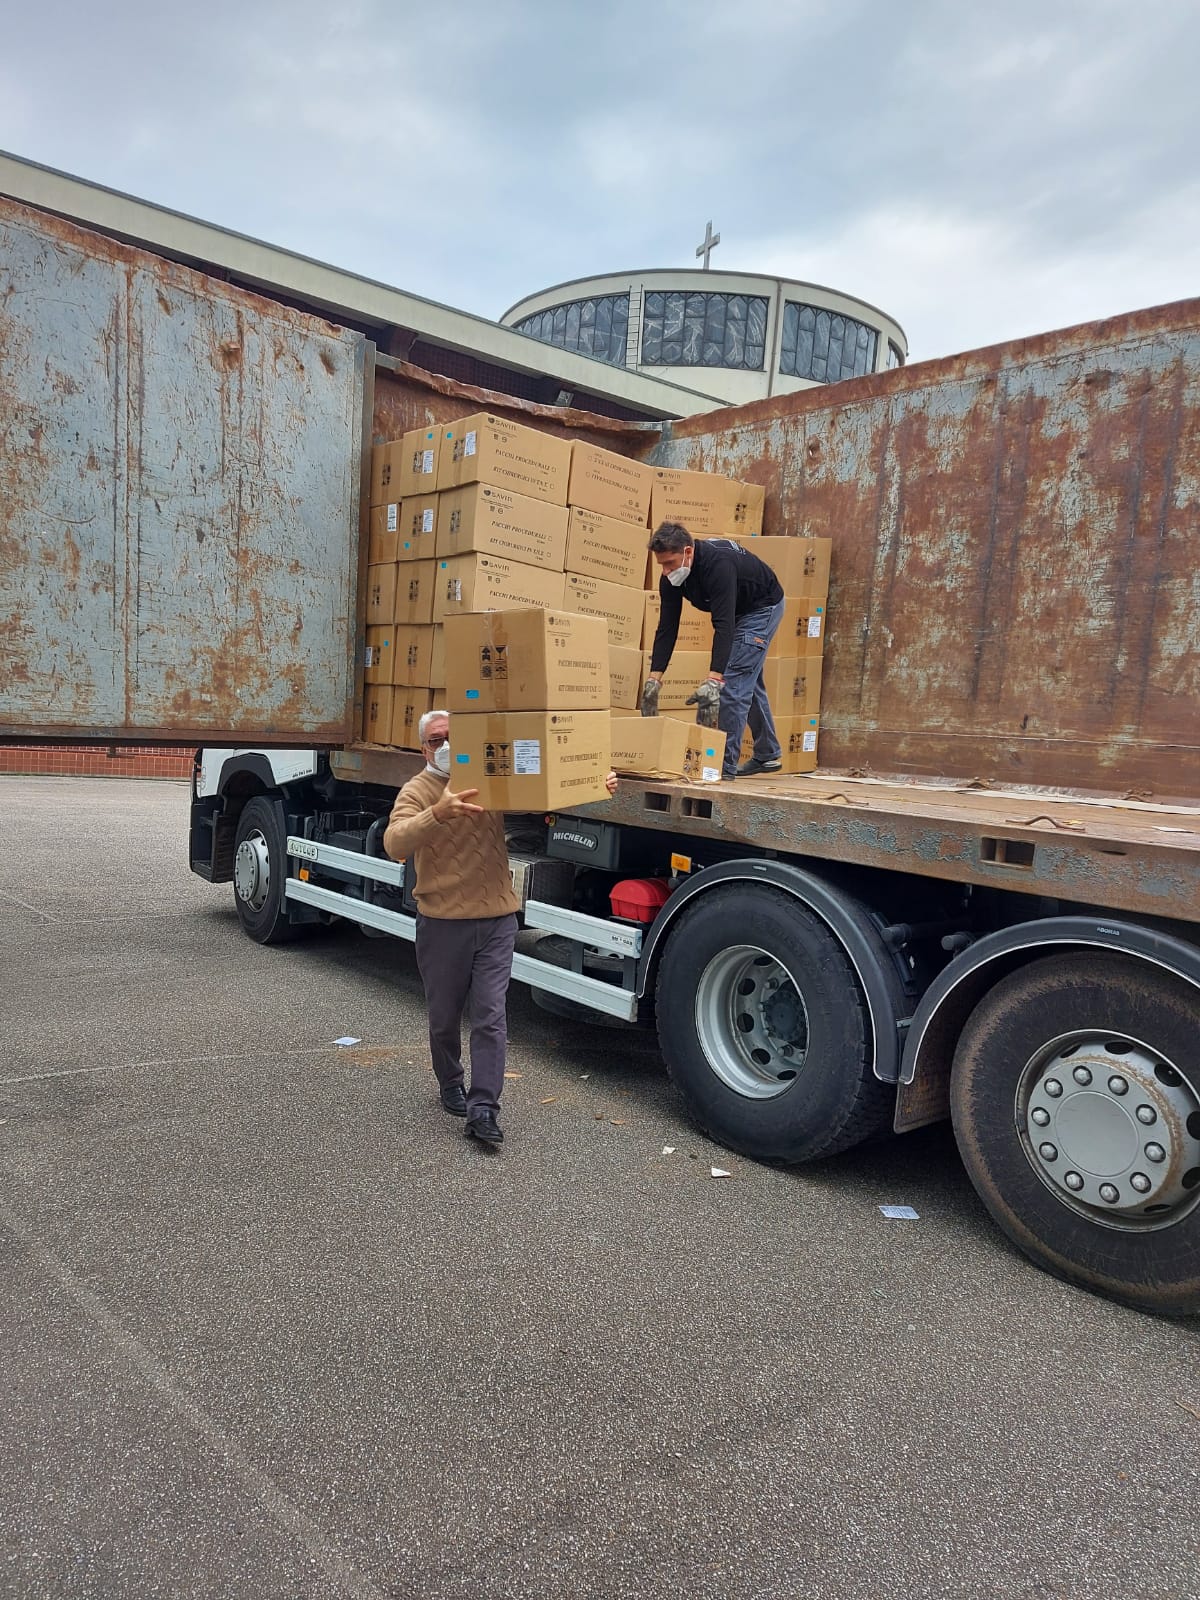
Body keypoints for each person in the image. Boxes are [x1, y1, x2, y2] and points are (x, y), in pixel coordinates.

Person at [383, 708, 618, 1147]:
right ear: (423, 750)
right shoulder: (417, 790)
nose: (445, 746)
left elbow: (540, 791)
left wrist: (592, 784)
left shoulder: (486, 780)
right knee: (443, 1018)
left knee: (490, 1016)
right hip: (443, 923)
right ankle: (450, 1080)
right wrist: (439, 812)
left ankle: (484, 1110)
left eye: (452, 736)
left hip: (496, 918)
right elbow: (395, 842)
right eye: (436, 740)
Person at [641, 522, 786, 780]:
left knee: (730, 685)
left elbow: (723, 624)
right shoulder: (672, 578)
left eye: (670, 563)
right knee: (746, 678)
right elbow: (667, 627)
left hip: (761, 608)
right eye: (661, 564)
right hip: (737, 609)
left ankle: (721, 768)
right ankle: (767, 753)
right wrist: (654, 679)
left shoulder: (718, 565)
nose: (665, 571)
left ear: (688, 551)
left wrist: (714, 678)